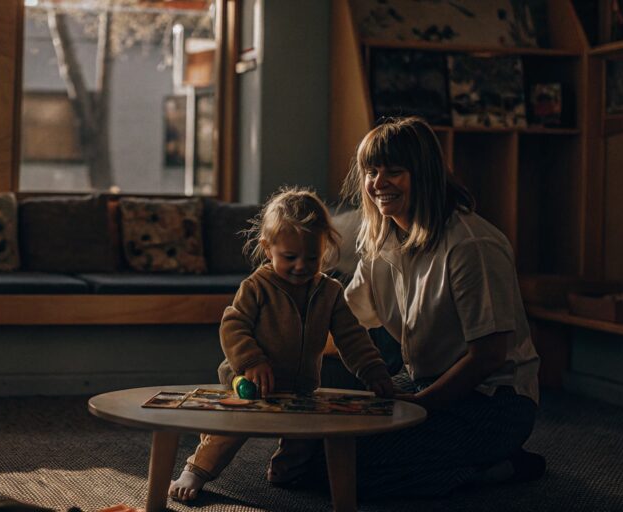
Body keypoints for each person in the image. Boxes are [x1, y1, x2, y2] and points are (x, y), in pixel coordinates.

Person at [340, 116, 545, 498]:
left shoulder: (471, 245)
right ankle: (468, 465)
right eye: (371, 172)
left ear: (424, 174)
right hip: (422, 382)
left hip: (494, 402)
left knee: (354, 471)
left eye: (394, 171)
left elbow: (488, 357)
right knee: (328, 451)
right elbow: (343, 319)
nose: (378, 183)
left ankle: (495, 469)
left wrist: (421, 405)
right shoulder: (382, 243)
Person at [168, 187, 395, 502]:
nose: (301, 265)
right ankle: (196, 469)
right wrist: (251, 361)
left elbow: (352, 336)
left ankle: (284, 470)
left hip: (302, 386)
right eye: (290, 257)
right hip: (249, 379)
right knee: (232, 426)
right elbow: (233, 325)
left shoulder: (329, 292)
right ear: (267, 248)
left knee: (304, 434)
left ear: (325, 248)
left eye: (312, 257)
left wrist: (372, 370)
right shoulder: (256, 286)